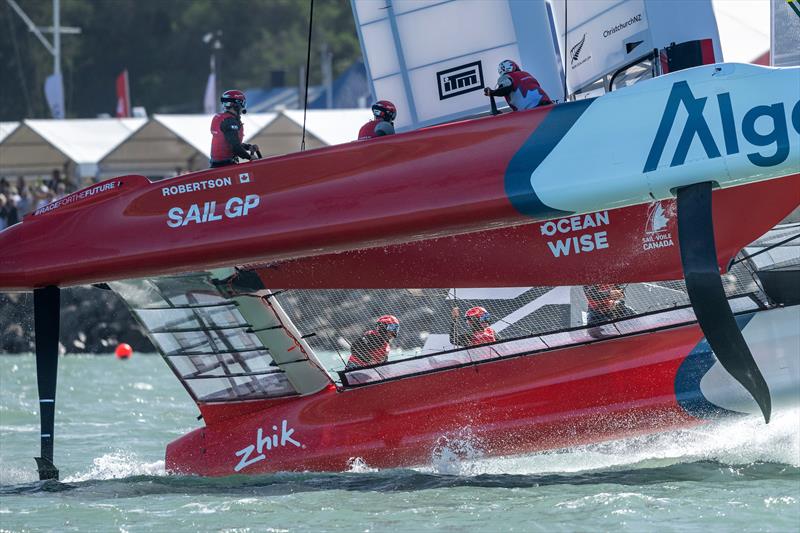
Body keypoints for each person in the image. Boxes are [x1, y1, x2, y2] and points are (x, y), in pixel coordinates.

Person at [210, 89, 260, 168]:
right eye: (243, 104)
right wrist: (250, 157)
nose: (243, 107)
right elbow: (235, 147)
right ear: (237, 105)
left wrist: (248, 147)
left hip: (217, 165)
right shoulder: (230, 122)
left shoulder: (220, 118)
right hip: (225, 166)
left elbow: (228, 143)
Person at [484, 59, 553, 112]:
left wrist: (492, 92)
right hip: (549, 106)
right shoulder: (526, 74)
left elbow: (506, 88)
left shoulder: (506, 76)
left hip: (532, 111)